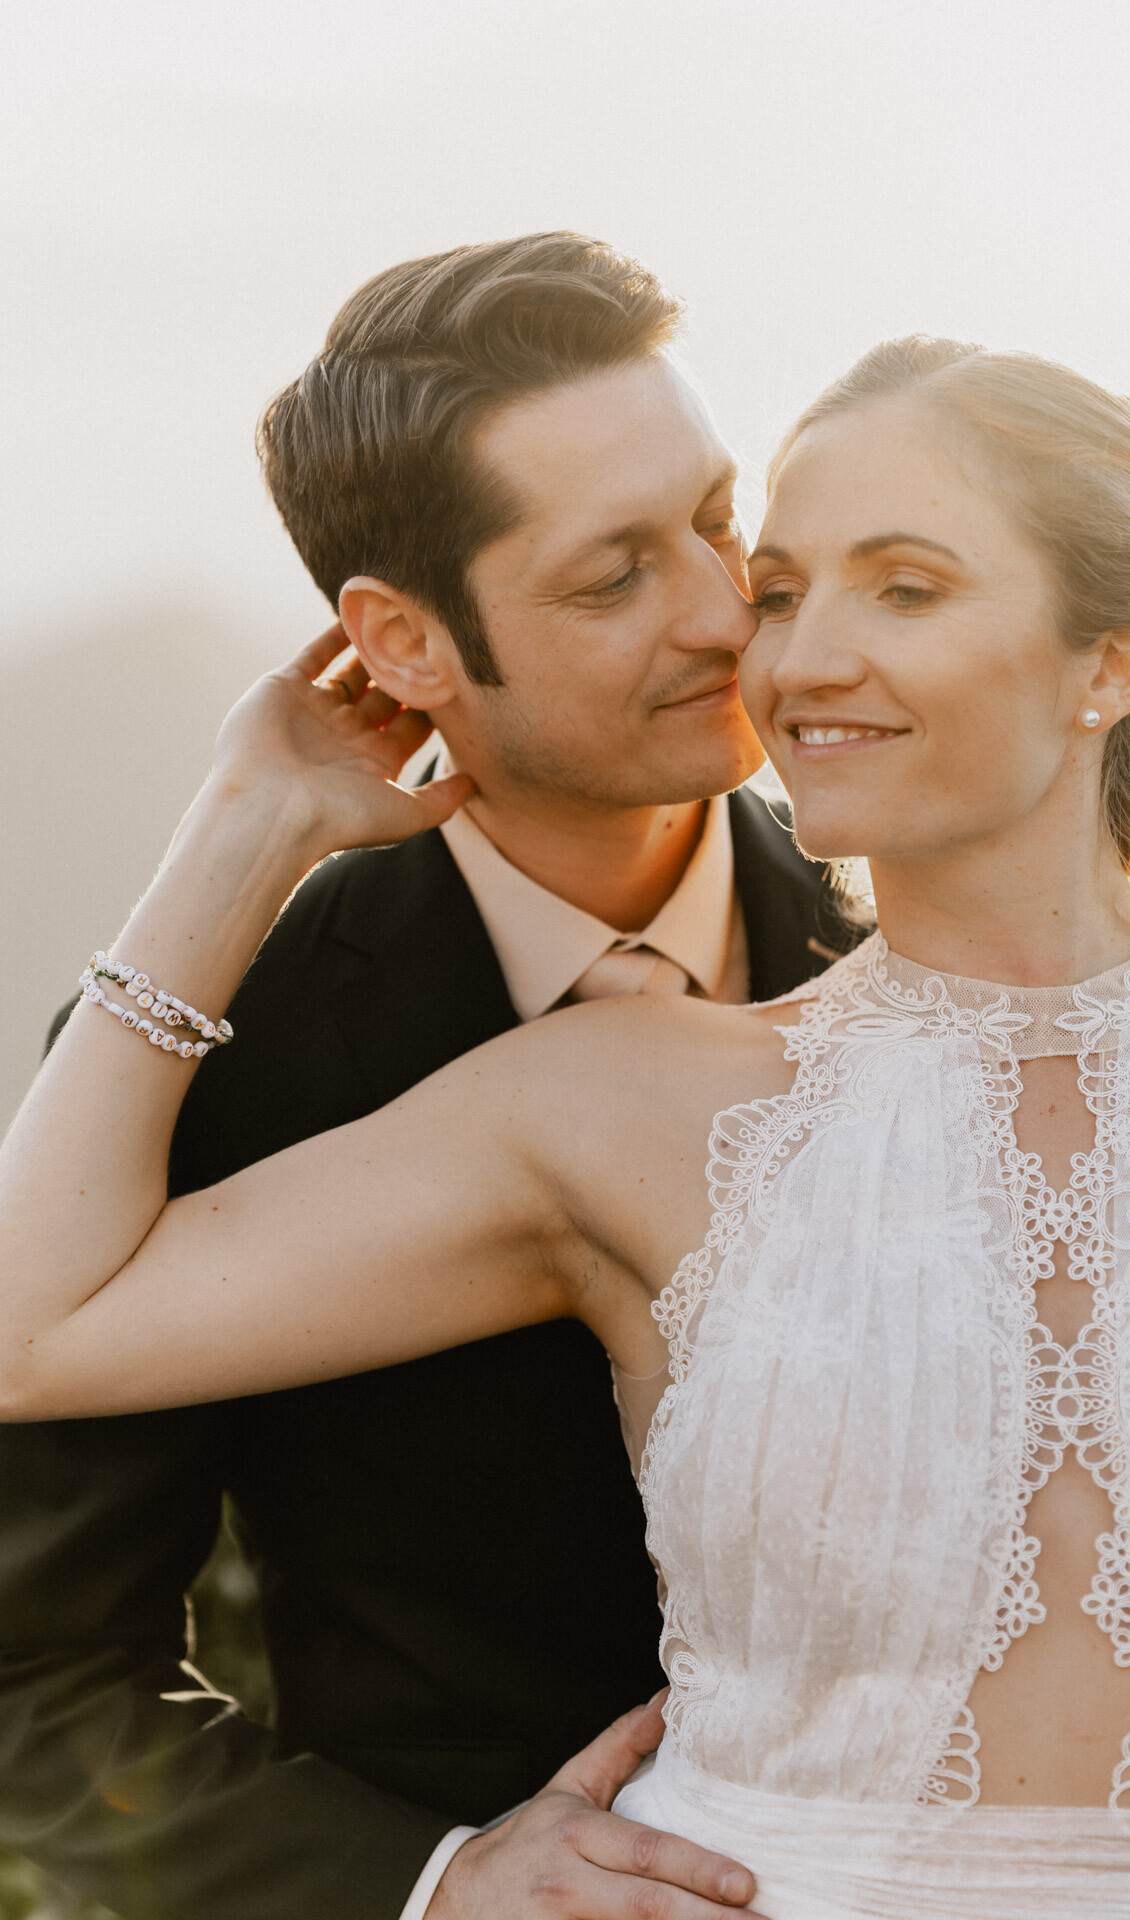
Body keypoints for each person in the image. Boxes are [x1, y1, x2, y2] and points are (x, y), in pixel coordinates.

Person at [1, 331, 1130, 1920]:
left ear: (1114, 662)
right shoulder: (608, 1097)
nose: (767, 647)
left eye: (902, 585)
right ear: (405, 640)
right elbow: (32, 1347)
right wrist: (240, 826)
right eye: (790, 587)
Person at [0, 234, 853, 1920]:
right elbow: (32, 1686)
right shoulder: (195, 1065)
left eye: (711, 517)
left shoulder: (929, 957)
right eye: (612, 578)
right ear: (399, 640)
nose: (716, 607)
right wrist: (435, 1888)